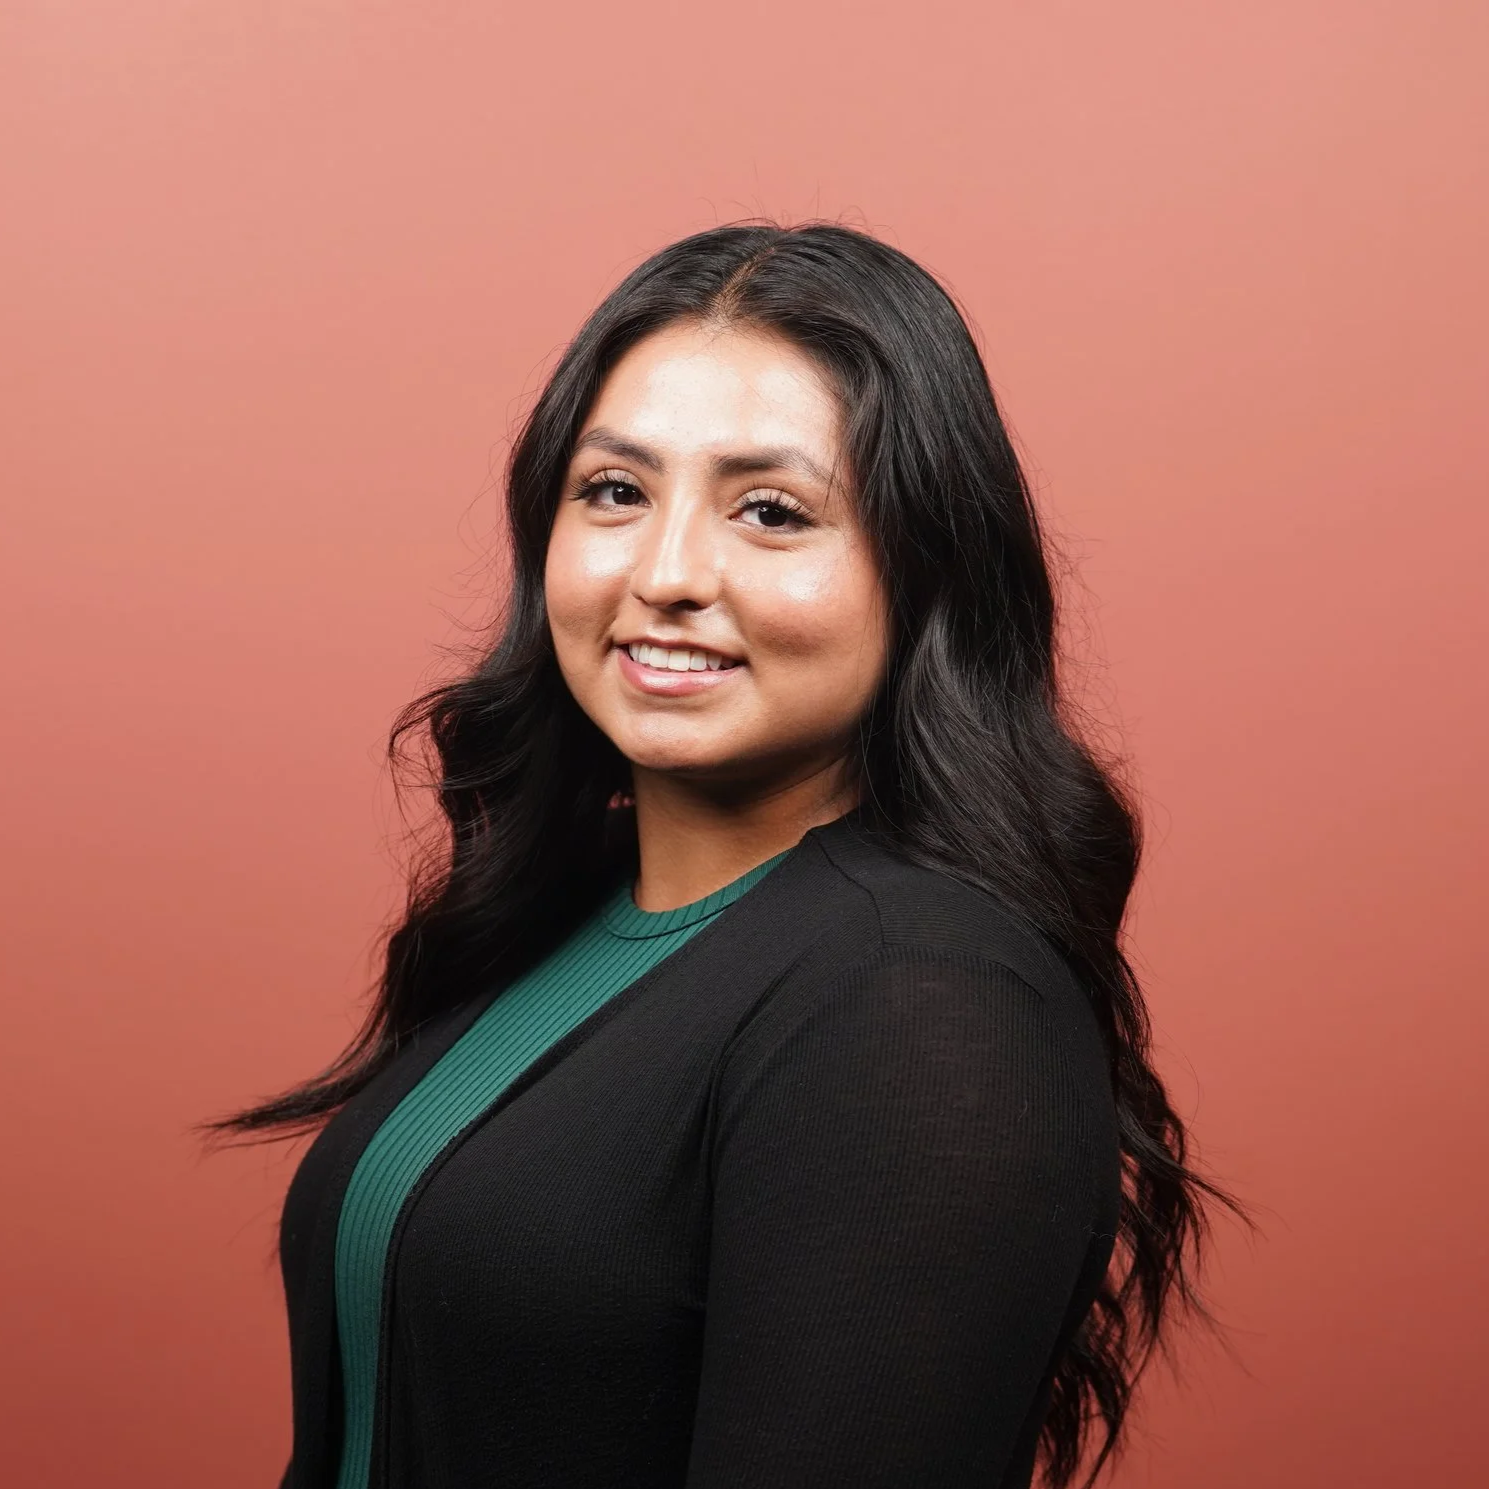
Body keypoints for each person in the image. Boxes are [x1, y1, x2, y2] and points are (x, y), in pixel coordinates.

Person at [219, 222, 1228, 1489]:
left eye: (770, 511)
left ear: (924, 571)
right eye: (615, 491)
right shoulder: (557, 921)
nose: (667, 573)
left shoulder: (921, 998)